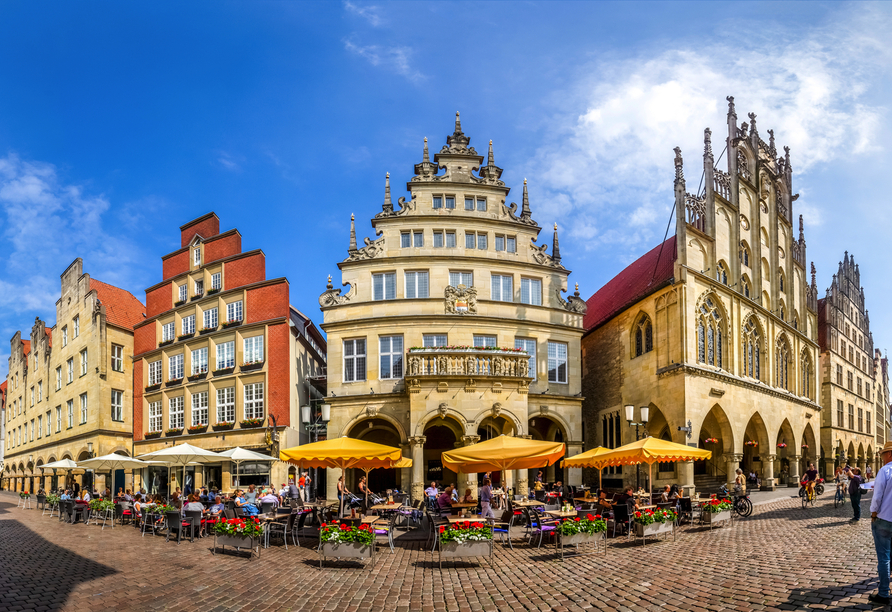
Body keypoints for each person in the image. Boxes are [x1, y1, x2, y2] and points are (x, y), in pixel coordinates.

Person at [868, 442, 892, 605]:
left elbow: (877, 497)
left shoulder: (885, 471)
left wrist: (873, 514)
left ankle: (883, 594)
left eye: (883, 454)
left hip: (884, 519)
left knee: (884, 557)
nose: (881, 457)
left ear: (889, 454)